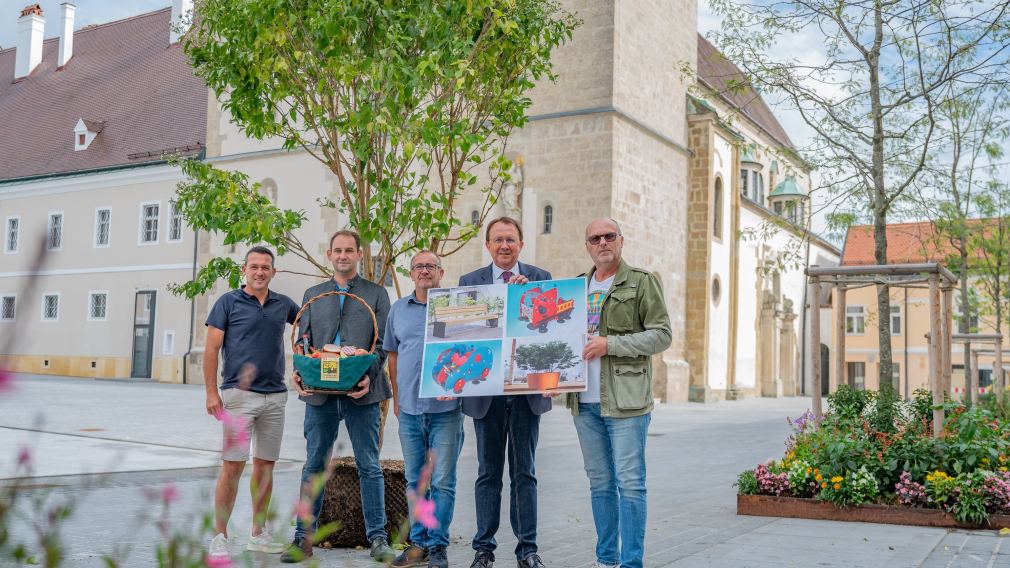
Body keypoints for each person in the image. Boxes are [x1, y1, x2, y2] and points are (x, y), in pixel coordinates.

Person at [281, 230, 395, 564]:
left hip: (362, 393)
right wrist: (299, 373)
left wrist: (368, 375)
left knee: (369, 466)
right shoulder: (313, 294)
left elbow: (381, 342)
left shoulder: (376, 294)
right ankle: (302, 538)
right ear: (329, 254)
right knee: (314, 465)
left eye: (349, 250)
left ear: (359, 254)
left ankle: (378, 539)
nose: (343, 256)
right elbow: (302, 341)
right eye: (338, 251)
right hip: (320, 395)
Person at [568, 218, 672, 568]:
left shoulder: (641, 282)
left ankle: (630, 563)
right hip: (584, 403)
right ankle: (606, 560)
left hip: (626, 402)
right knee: (599, 484)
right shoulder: (575, 287)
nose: (602, 242)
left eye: (609, 236)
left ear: (621, 241)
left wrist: (610, 344)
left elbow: (662, 335)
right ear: (587, 246)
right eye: (595, 238)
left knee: (630, 485)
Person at [459, 217, 552, 568]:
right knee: (488, 473)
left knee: (524, 472)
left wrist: (528, 299)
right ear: (487, 245)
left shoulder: (540, 279)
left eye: (510, 239)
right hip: (487, 393)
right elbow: (462, 335)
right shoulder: (470, 283)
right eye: (497, 239)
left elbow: (550, 333)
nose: (504, 246)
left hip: (527, 392)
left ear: (521, 244)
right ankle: (483, 549)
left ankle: (528, 549)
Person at [204, 246, 300, 561]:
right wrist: (211, 393)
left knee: (265, 466)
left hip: (275, 396)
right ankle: (219, 536)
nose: (259, 272)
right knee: (232, 465)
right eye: (254, 266)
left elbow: (307, 327)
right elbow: (211, 349)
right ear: (244, 270)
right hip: (238, 397)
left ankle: (258, 534)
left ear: (273, 272)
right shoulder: (227, 302)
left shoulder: (283, 304)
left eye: (265, 267)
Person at [384, 251, 464, 568]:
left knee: (442, 480)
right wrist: (396, 397)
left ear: (440, 273)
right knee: (415, 480)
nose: (425, 271)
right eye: (419, 266)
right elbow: (392, 355)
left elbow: (470, 348)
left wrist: (457, 384)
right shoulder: (398, 310)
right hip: (409, 410)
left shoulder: (456, 307)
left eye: (431, 266)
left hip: (446, 411)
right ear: (411, 273)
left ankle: (438, 545)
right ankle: (418, 544)